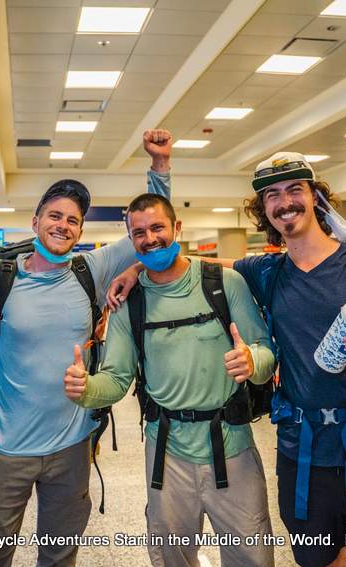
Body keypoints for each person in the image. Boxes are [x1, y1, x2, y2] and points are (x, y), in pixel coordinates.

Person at [108, 147, 346, 567]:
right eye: (272, 195)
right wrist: (139, 268)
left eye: (294, 189)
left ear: (315, 196)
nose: (285, 202)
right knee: (314, 559)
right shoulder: (267, 273)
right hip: (302, 448)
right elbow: (191, 265)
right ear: (264, 209)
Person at [0, 130, 171, 567]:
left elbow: (149, 233)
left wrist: (160, 167)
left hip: (72, 447)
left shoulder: (87, 270)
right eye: (54, 215)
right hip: (6, 448)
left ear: (80, 231)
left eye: (73, 220)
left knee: (59, 557)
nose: (63, 225)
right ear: (35, 221)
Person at [64, 193, 276, 567]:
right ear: (131, 240)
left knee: (251, 558)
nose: (150, 238)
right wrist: (87, 390)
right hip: (167, 453)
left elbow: (265, 351)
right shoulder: (131, 302)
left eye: (158, 227)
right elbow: (115, 378)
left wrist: (251, 361)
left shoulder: (225, 283)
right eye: (139, 232)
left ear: (177, 228)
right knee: (170, 557)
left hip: (233, 446)